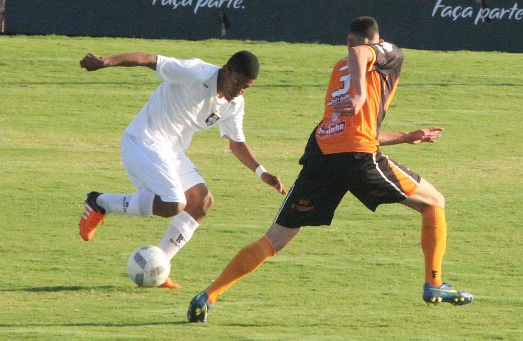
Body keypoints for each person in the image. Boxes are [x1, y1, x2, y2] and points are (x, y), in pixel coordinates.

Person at [187, 16, 473, 322]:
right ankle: (434, 283)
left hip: (323, 155)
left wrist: (405, 136)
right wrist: (362, 93)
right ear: (376, 42)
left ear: (346, 41)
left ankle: (207, 296)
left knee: (274, 240)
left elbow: (352, 128)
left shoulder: (340, 71)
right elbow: (362, 54)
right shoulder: (384, 54)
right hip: (356, 156)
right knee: (434, 202)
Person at [78, 50, 285, 289]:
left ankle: (159, 267)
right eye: (237, 84)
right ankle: (101, 203)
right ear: (226, 70)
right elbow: (149, 59)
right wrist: (105, 62)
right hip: (142, 140)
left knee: (201, 202)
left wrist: (262, 172)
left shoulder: (234, 104)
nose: (238, 92)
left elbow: (236, 142)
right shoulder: (195, 73)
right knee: (173, 203)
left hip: (170, 151)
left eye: (245, 88)